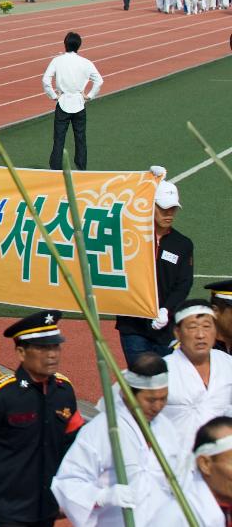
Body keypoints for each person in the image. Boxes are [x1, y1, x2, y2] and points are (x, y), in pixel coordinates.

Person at [0, 310, 84, 527]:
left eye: (55, 347)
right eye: (43, 348)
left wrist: (71, 491)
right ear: (22, 353)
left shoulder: (64, 391)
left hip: (48, 502)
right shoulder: (2, 396)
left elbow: (73, 446)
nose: (52, 354)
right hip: (10, 505)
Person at [52, 351, 186, 527]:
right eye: (150, 400)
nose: (158, 407)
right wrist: (103, 496)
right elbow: (68, 483)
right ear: (127, 394)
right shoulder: (102, 429)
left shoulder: (166, 428)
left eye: (163, 399)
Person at [116, 170, 192, 362]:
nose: (169, 214)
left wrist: (166, 310)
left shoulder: (182, 244)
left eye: (173, 209)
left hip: (167, 327)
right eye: (163, 208)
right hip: (132, 326)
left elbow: (184, 283)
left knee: (168, 381)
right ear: (150, 206)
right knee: (141, 382)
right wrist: (147, 179)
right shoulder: (130, 237)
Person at [159, 300, 232, 456]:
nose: (200, 335)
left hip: (222, 467)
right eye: (192, 327)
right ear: (177, 332)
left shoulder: (228, 364)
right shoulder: (161, 371)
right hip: (175, 465)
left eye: (206, 326)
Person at [42, 31, 104, 171]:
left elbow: (46, 80)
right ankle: (81, 168)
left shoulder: (57, 61)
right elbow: (99, 81)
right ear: (79, 46)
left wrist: (53, 95)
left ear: (65, 45)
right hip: (79, 104)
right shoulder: (86, 63)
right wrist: (89, 95)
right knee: (80, 138)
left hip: (63, 103)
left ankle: (55, 169)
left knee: (59, 139)